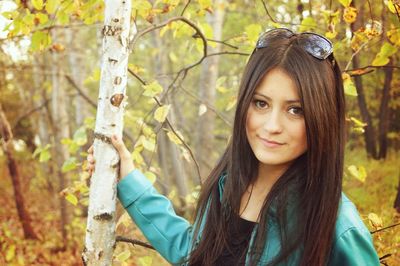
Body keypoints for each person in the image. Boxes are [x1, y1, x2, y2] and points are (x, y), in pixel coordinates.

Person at [86, 28, 380, 265]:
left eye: (295, 110)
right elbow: (194, 254)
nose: (272, 125)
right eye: (261, 103)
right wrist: (129, 182)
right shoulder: (228, 185)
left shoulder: (338, 228)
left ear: (321, 117)